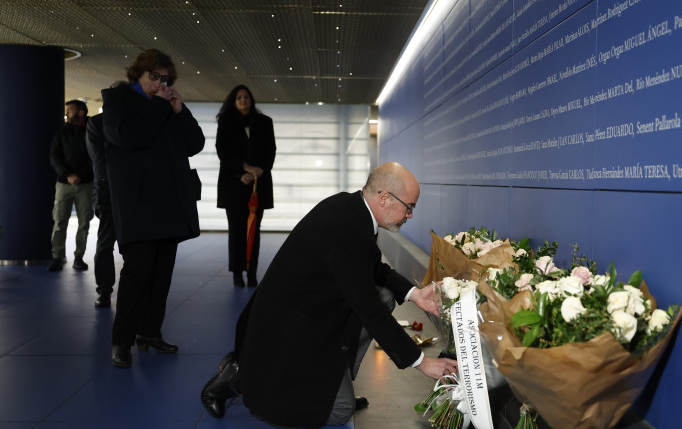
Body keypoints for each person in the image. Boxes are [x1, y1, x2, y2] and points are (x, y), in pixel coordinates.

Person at [201, 162, 458, 427]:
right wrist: (421, 362)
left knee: (385, 297)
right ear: (384, 198)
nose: (410, 215)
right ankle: (238, 377)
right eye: (410, 207)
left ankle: (334, 381)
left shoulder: (351, 208)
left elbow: (372, 267)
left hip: (311, 311)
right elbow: (368, 309)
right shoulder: (348, 228)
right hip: (289, 329)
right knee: (340, 411)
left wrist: (415, 294)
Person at [101, 49, 205, 368]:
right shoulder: (119, 101)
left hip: (169, 204)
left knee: (161, 276)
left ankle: (149, 333)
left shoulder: (166, 106)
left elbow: (195, 144)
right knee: (137, 274)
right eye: (154, 77)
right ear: (138, 75)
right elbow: (130, 137)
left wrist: (179, 110)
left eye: (165, 79)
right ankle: (122, 341)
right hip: (138, 205)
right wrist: (160, 104)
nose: (160, 84)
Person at [215, 85, 276, 288]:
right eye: (239, 97)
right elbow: (223, 152)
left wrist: (258, 171)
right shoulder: (225, 123)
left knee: (253, 231)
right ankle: (237, 273)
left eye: (246, 97)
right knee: (236, 231)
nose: (243, 100)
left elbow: (270, 151)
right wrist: (245, 169)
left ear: (251, 100)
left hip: (258, 184)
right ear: (234, 101)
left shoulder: (265, 122)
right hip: (233, 183)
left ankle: (252, 272)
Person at [48, 100, 94, 272]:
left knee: (84, 223)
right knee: (59, 222)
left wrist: (79, 176)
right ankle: (57, 258)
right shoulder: (61, 132)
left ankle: (79, 258)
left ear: (80, 112)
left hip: (85, 184)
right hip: (63, 185)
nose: (66, 113)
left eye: (70, 110)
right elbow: (54, 156)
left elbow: (95, 156)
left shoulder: (92, 130)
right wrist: (69, 175)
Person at [85, 112, 116, 308]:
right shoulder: (97, 123)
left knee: (105, 244)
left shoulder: (97, 123)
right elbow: (98, 160)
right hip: (108, 193)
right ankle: (104, 289)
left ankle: (104, 290)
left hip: (109, 192)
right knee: (105, 244)